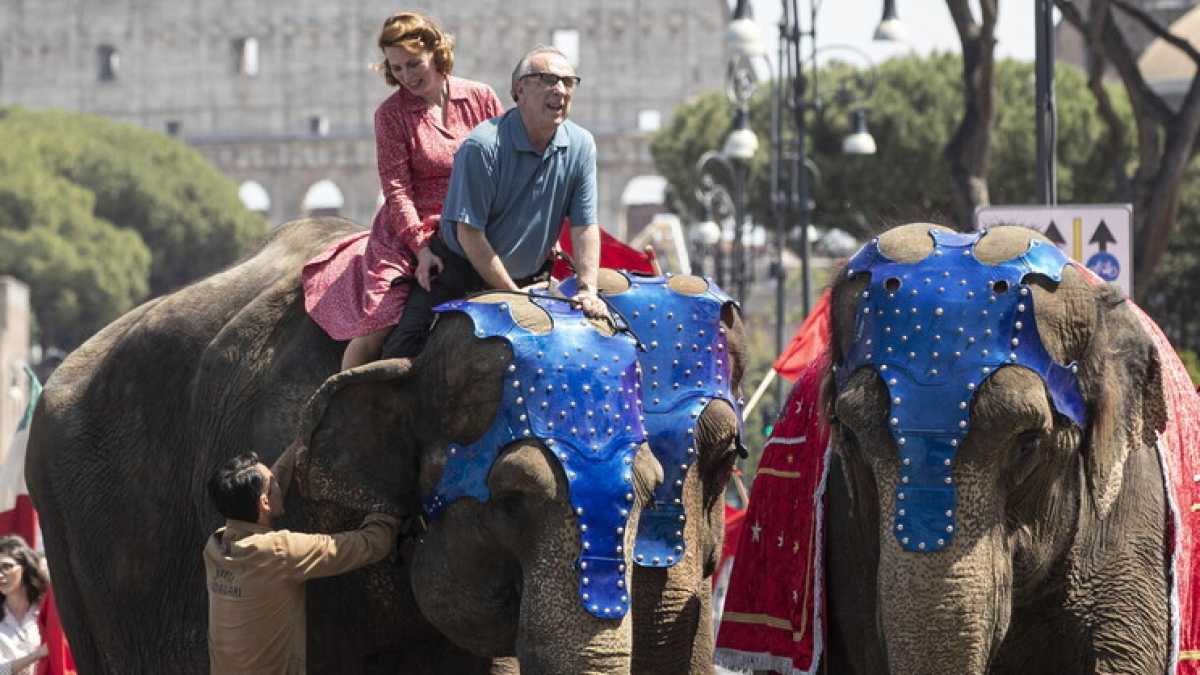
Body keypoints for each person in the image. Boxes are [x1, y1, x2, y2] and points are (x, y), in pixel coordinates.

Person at [302, 11, 504, 370]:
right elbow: (396, 189)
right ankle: (347, 405)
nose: (407, 76)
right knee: (378, 325)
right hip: (413, 229)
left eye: (414, 64)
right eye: (396, 68)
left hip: (477, 219)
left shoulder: (481, 97)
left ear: (436, 52)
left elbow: (506, 165)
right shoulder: (390, 115)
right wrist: (422, 249)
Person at [383, 45, 607, 359]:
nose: (560, 89)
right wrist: (515, 298)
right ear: (519, 90)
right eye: (547, 79)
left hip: (532, 274)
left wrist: (588, 290)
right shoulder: (483, 146)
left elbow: (584, 225)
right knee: (400, 351)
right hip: (459, 271)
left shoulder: (582, 145)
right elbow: (469, 234)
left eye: (568, 82)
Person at [204, 449, 400, 675]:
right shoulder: (279, 553)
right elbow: (370, 545)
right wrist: (386, 512)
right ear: (265, 502)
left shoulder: (214, 548)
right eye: (274, 483)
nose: (278, 483)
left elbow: (261, 498)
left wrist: (297, 446)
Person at [0, 536, 49, 675]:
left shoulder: (46, 610)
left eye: (6, 567)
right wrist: (38, 654)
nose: (0, 575)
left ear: (25, 568)